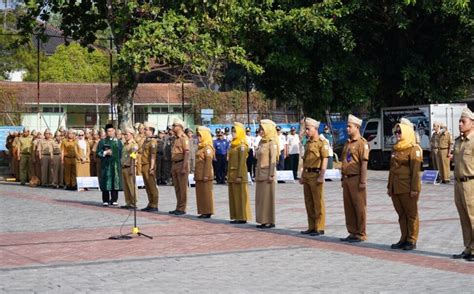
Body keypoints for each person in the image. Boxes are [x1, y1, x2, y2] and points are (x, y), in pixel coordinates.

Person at [387, 121, 422, 251]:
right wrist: (389, 187)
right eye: (396, 132)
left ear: (407, 132)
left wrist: (414, 189)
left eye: (400, 131)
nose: (397, 134)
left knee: (411, 214)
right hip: (396, 187)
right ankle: (403, 238)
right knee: (401, 214)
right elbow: (392, 169)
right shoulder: (396, 148)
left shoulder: (414, 149)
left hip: (408, 188)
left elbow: (415, 172)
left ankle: (412, 239)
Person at [340, 115, 369, 243]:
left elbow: (364, 163)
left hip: (356, 179)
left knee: (359, 207)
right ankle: (352, 231)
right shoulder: (347, 143)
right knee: (349, 207)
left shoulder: (362, 143)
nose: (347, 128)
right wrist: (342, 178)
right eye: (347, 126)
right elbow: (344, 161)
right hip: (347, 179)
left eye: (349, 126)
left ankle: (361, 233)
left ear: (357, 127)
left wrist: (363, 181)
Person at [299, 118, 329, 236]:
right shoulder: (308, 143)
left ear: (315, 129)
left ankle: (319, 227)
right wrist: (302, 175)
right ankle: (311, 226)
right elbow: (305, 160)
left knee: (318, 202)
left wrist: (322, 175)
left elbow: (325, 159)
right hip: (307, 174)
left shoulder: (322, 142)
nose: (306, 131)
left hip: (316, 175)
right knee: (309, 202)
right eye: (306, 129)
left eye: (308, 129)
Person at [452, 108, 474, 262]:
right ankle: (468, 247)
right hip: (458, 183)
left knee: (473, 217)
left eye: (463, 121)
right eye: (459, 121)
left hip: (471, 183)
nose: (460, 124)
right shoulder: (458, 141)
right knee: (464, 217)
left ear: (472, 123)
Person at [255, 119, 279, 229]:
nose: (261, 131)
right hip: (260, 174)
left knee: (267, 199)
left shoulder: (272, 143)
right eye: (260, 129)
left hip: (268, 174)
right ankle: (263, 220)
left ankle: (269, 220)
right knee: (261, 199)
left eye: (263, 129)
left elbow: (273, 159)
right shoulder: (261, 142)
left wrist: (271, 175)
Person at [228, 122, 251, 224]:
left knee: (240, 196)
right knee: (234, 197)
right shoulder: (233, 144)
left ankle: (242, 217)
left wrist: (240, 175)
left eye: (235, 131)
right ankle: (237, 216)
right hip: (232, 174)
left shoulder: (242, 145)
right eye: (232, 131)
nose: (233, 133)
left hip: (239, 174)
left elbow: (242, 162)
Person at [97, 124, 123, 206]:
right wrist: (105, 153)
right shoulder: (102, 142)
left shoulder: (118, 142)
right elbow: (98, 153)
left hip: (115, 165)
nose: (110, 132)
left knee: (115, 181)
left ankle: (114, 199)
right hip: (106, 165)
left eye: (112, 131)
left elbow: (121, 153)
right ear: (106, 132)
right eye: (108, 131)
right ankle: (105, 200)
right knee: (105, 182)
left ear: (114, 131)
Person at [169, 118, 190, 215]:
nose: (172, 127)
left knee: (182, 188)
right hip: (175, 164)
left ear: (180, 127)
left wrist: (184, 167)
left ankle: (182, 208)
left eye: (174, 125)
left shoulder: (183, 138)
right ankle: (178, 206)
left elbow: (186, 153)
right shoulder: (175, 139)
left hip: (181, 163)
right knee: (177, 187)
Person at [194, 126, 215, 218]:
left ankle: (207, 211)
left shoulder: (208, 147)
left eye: (200, 135)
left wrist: (206, 175)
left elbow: (208, 162)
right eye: (198, 135)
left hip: (205, 175)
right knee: (201, 194)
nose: (198, 137)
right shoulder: (201, 147)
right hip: (199, 174)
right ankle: (203, 211)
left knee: (206, 194)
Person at [140, 122, 159, 212]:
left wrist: (152, 167)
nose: (144, 131)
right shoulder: (146, 140)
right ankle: (150, 203)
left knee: (152, 186)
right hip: (144, 164)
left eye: (146, 129)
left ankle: (154, 204)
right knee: (147, 186)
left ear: (151, 131)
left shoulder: (153, 141)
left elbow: (153, 156)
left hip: (149, 165)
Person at [121, 127, 139, 209]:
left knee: (132, 186)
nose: (125, 136)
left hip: (130, 167)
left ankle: (133, 202)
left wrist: (132, 168)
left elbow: (133, 157)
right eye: (124, 134)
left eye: (126, 134)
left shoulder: (134, 144)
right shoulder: (125, 144)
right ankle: (128, 202)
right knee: (126, 187)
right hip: (124, 167)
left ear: (131, 134)